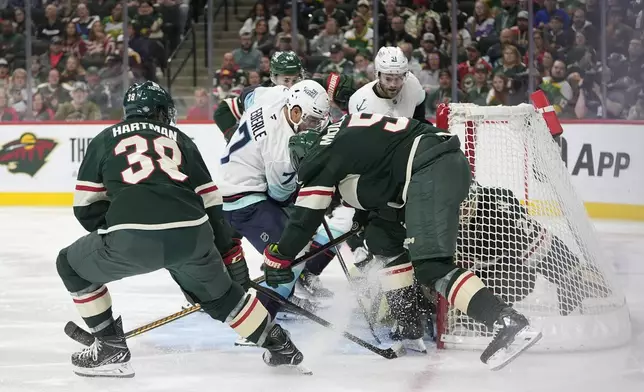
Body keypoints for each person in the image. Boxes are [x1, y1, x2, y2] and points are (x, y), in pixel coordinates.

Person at [56, 81, 305, 378]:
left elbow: (85, 207)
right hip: (192, 235)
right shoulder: (181, 138)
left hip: (132, 238)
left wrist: (120, 229)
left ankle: (110, 347)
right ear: (160, 112)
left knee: (69, 265)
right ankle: (279, 345)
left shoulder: (105, 138)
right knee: (224, 298)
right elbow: (212, 202)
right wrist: (229, 253)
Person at [263, 113, 542, 369]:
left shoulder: (319, 155)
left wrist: (279, 255)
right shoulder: (342, 130)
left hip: (430, 170)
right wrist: (369, 216)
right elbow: (383, 172)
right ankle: (409, 329)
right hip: (434, 164)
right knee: (381, 239)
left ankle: (506, 320)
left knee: (431, 266)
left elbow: (304, 219)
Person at [218, 80, 345, 319]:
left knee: (291, 242)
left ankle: (277, 290)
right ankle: (260, 320)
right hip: (243, 200)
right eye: (312, 121)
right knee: (291, 250)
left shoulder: (276, 94)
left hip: (228, 186)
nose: (316, 127)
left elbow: (248, 94)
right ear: (295, 112)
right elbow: (280, 196)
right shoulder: (281, 153)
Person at [214, 51, 356, 142]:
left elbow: (338, 83)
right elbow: (222, 111)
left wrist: (342, 87)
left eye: (295, 80)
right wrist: (232, 135)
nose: (291, 85)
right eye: (286, 80)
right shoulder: (257, 95)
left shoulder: (308, 87)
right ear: (274, 78)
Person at [348, 46, 427, 120]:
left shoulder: (412, 84)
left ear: (405, 75)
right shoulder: (360, 101)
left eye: (398, 78)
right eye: (388, 79)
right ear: (378, 75)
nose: (393, 84)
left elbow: (420, 122)